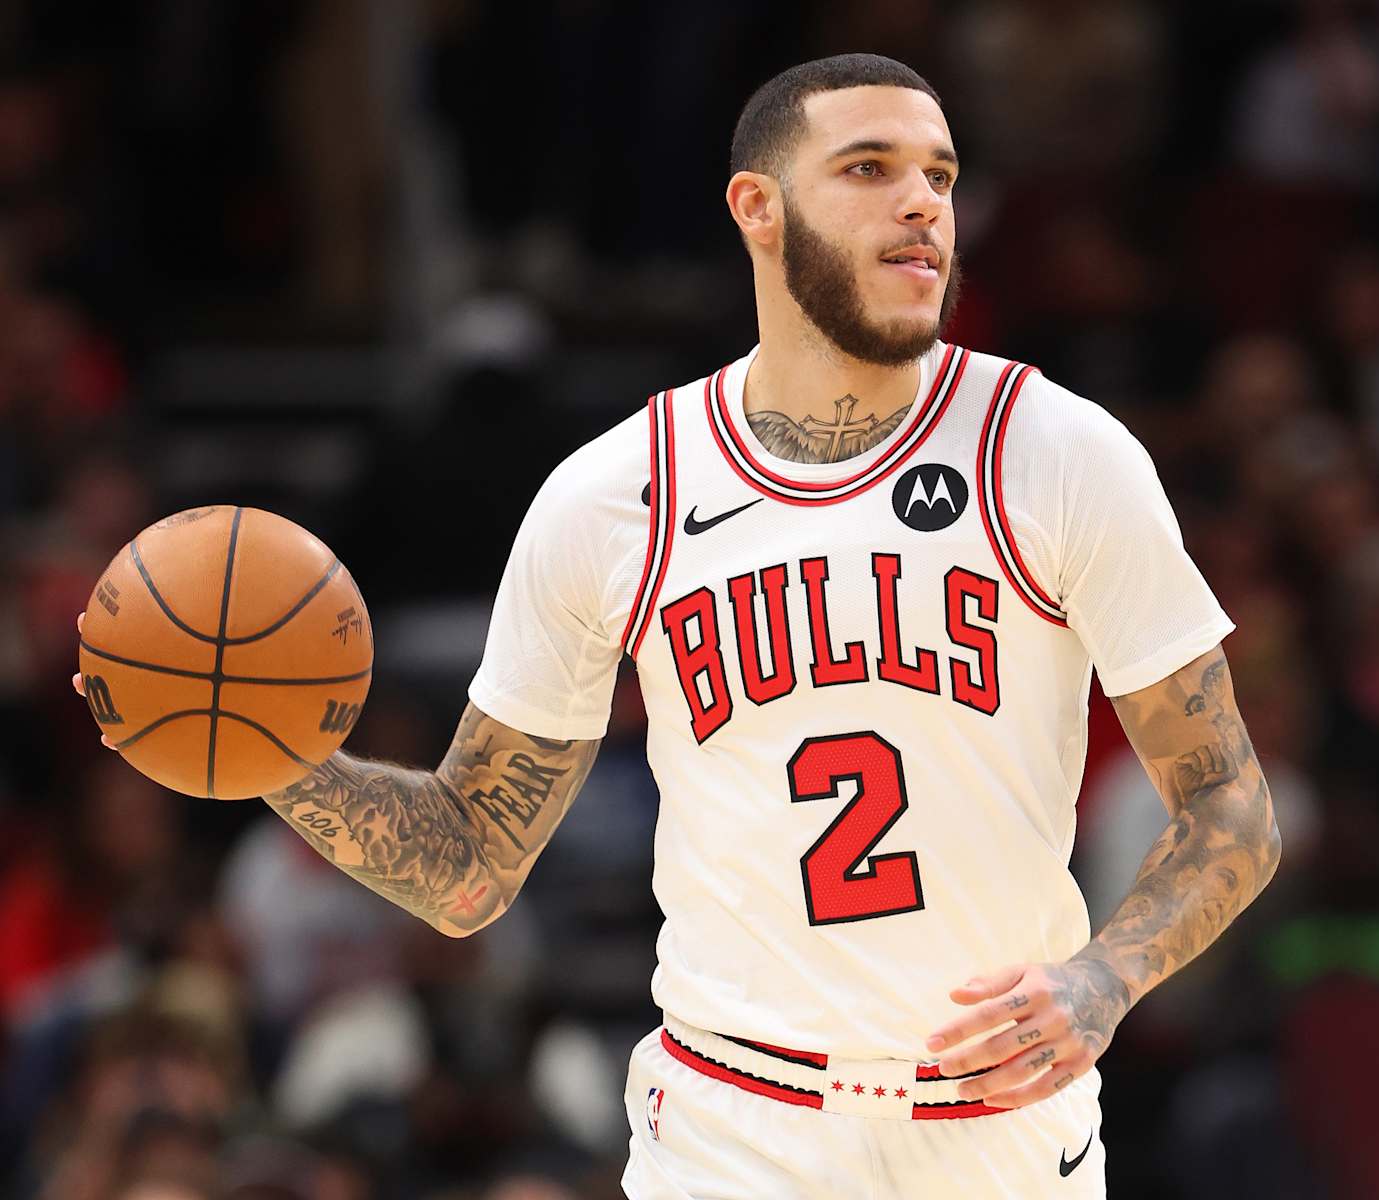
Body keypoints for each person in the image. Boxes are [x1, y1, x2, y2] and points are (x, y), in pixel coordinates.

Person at [75, 54, 1280, 1197]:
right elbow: (468, 867)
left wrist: (1103, 979)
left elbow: (1230, 806)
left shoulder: (1062, 454)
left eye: (941, 175)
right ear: (758, 207)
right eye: (870, 167)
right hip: (733, 1129)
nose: (921, 203)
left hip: (1002, 1127)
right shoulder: (612, 498)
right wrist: (269, 751)